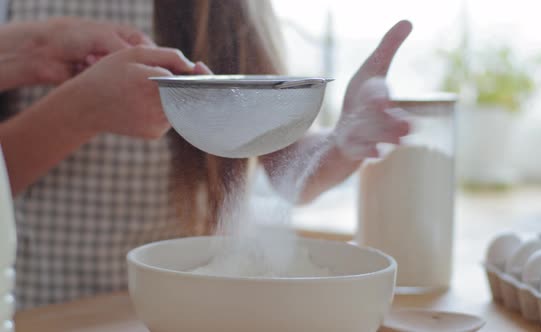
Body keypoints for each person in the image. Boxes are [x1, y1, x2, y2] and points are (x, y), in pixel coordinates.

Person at [1, 0, 411, 309]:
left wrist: (342, 142)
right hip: (38, 309)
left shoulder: (220, 8)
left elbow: (286, 167)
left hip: (195, 305)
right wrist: (80, 110)